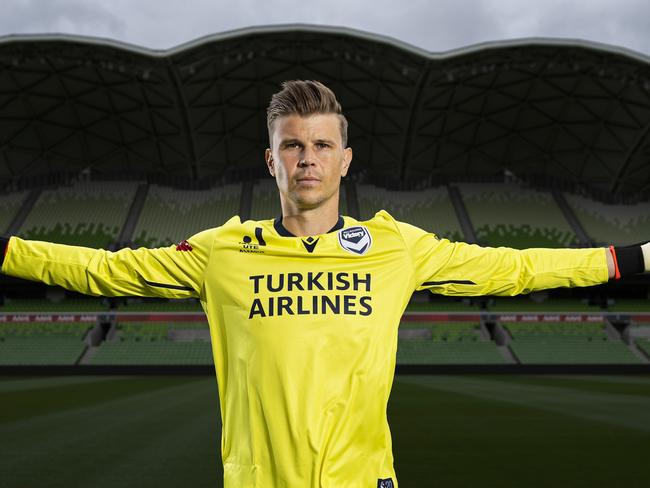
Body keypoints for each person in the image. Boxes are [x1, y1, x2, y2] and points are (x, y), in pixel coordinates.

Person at [1, 80, 648, 488]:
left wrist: (630, 260)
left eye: (319, 144)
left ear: (344, 159)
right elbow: (99, 270)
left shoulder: (396, 247)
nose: (306, 157)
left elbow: (514, 269)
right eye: (290, 144)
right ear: (270, 160)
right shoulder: (222, 252)